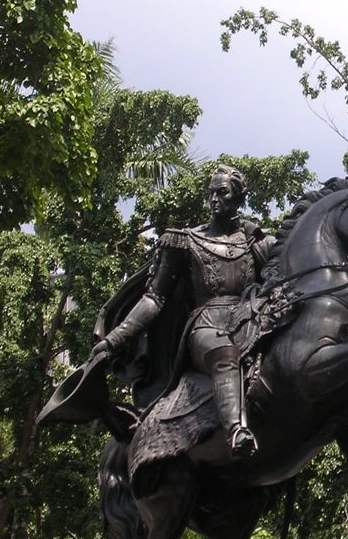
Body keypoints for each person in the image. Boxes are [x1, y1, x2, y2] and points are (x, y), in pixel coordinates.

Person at [91, 164, 272, 457]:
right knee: (224, 353)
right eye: (211, 193)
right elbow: (154, 299)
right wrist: (115, 339)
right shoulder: (184, 241)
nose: (214, 199)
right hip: (205, 325)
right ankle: (236, 430)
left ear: (238, 198)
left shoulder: (257, 242)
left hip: (250, 321)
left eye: (222, 193)